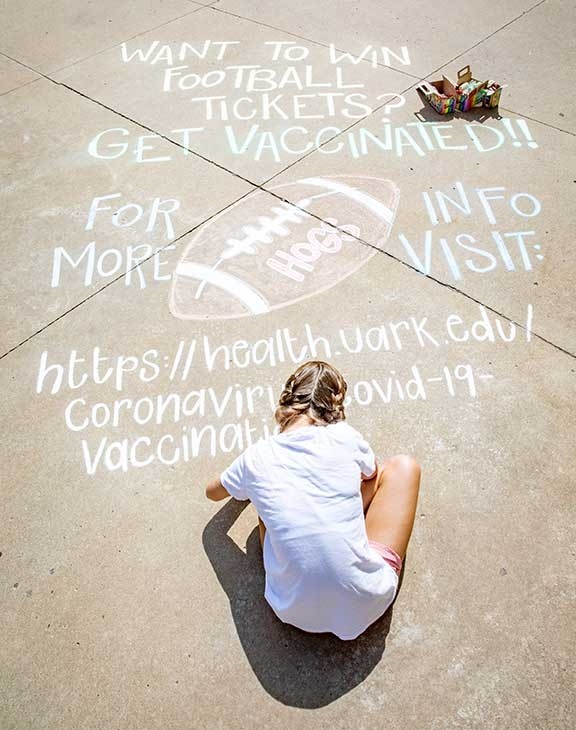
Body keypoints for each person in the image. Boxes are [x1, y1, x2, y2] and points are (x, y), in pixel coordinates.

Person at [205, 360, 421, 641]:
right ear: (335, 406)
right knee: (403, 467)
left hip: (291, 608)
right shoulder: (344, 436)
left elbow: (212, 492)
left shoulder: (256, 456)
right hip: (365, 603)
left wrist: (247, 481)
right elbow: (372, 474)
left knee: (266, 512)